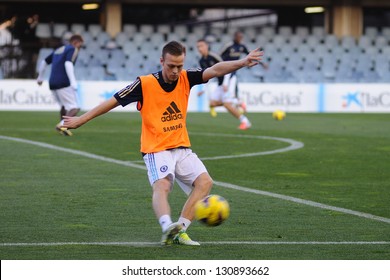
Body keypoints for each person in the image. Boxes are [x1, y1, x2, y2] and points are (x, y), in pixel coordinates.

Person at [62, 41, 263, 246]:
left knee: (205, 183)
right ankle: (167, 225)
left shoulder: (186, 77)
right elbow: (112, 102)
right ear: (161, 61)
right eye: (171, 66)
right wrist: (80, 119)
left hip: (181, 147)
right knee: (163, 185)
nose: (176, 71)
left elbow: (214, 70)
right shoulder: (145, 83)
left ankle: (179, 230)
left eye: (179, 66)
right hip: (156, 149)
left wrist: (243, 62)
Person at [196, 39, 252, 130]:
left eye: (201, 46)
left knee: (226, 104)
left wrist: (226, 82)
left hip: (229, 79)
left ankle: (245, 121)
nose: (199, 48)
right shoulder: (201, 61)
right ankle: (237, 102)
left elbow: (227, 66)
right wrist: (203, 90)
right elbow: (207, 76)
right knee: (212, 103)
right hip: (220, 83)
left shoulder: (214, 56)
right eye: (198, 47)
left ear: (206, 46)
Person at [37, 34, 84, 136]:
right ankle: (62, 125)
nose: (80, 48)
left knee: (64, 106)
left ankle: (64, 128)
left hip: (52, 82)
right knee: (75, 107)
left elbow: (44, 62)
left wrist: (40, 77)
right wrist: (73, 82)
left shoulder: (59, 49)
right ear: (77, 42)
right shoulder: (72, 49)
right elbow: (68, 63)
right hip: (63, 82)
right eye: (80, 45)